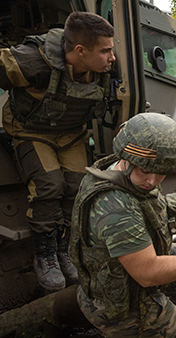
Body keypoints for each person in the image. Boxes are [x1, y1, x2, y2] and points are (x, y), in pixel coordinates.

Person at [69, 113, 176, 337]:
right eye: (145, 170)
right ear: (126, 155)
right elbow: (148, 273)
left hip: (113, 291)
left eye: (161, 172)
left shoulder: (116, 170)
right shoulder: (117, 206)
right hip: (127, 309)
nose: (152, 181)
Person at [0, 11, 116, 291]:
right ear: (80, 51)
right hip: (30, 130)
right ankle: (46, 256)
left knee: (77, 187)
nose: (112, 57)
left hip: (71, 134)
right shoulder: (33, 61)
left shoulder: (106, 64)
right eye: (105, 51)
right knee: (49, 185)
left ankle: (65, 252)